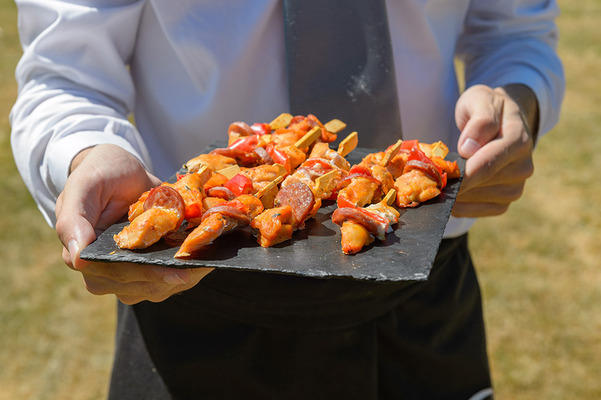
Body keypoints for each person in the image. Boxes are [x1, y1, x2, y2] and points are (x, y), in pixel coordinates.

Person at [10, 1, 564, 399]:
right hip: (193, 303)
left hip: (422, 295)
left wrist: (518, 100)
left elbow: (515, 31)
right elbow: (65, 72)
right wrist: (83, 153)